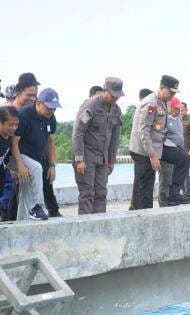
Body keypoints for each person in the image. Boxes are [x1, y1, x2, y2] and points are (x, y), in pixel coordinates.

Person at [72, 77, 124, 215]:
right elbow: (78, 132)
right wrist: (79, 159)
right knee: (87, 193)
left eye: (117, 96)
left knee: (101, 192)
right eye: (112, 95)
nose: (115, 99)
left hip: (103, 158)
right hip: (86, 155)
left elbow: (115, 138)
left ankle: (100, 224)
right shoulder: (90, 106)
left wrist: (111, 160)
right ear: (104, 90)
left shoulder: (117, 111)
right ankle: (85, 226)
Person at [129, 75, 181, 209]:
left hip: (153, 148)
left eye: (174, 93)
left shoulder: (164, 101)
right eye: (170, 92)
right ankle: (144, 216)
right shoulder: (150, 104)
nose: (172, 96)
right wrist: (153, 155)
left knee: (144, 184)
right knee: (145, 187)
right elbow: (143, 132)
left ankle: (137, 210)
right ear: (161, 88)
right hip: (142, 150)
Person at [11, 89, 62, 220]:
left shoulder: (50, 118)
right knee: (36, 168)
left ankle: (21, 222)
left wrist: (52, 165)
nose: (52, 111)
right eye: (49, 107)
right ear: (39, 103)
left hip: (36, 157)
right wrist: (19, 166)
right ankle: (36, 206)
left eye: (54, 108)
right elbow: (13, 142)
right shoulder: (23, 115)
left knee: (26, 191)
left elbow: (51, 141)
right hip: (17, 155)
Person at [158, 97, 190, 207]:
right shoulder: (164, 118)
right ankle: (164, 203)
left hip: (178, 152)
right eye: (177, 108)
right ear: (171, 107)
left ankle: (175, 195)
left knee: (179, 174)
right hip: (167, 151)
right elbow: (160, 136)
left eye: (180, 109)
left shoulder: (179, 119)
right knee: (166, 179)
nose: (179, 111)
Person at [0, 107, 21, 220]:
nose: (14, 128)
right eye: (10, 125)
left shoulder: (9, 137)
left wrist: (15, 169)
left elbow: (6, 157)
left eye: (16, 124)